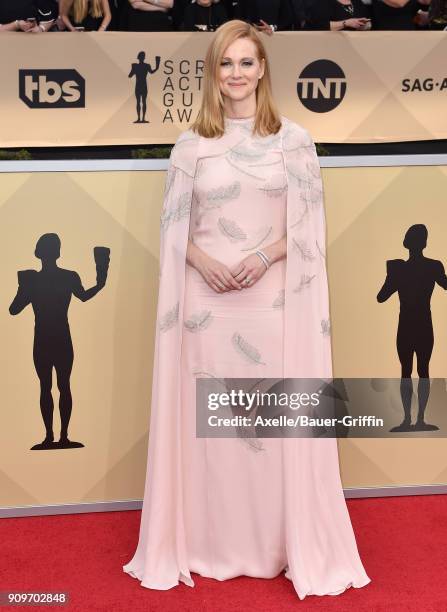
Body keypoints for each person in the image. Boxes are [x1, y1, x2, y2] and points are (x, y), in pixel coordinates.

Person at [122, 19, 371, 600]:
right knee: (214, 435)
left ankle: (278, 545)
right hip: (207, 307)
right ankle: (208, 542)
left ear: (263, 69)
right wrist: (202, 261)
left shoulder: (295, 141)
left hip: (272, 303)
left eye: (246, 63)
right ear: (214, 73)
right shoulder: (191, 146)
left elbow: (310, 228)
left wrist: (262, 254)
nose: (236, 74)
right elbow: (172, 230)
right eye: (226, 64)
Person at [9, 234, 109, 449]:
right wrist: (101, 282)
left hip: (47, 338)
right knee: (60, 386)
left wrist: (23, 286)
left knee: (50, 387)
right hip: (59, 338)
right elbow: (14, 310)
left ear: (39, 252)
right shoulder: (66, 277)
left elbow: (14, 309)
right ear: (56, 251)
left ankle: (54, 437)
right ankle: (58, 436)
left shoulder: (36, 280)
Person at [377, 224, 447, 432]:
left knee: (406, 371)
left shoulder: (399, 268)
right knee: (422, 370)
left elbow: (381, 297)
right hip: (423, 324)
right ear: (424, 242)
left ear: (407, 243)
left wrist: (392, 275)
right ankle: (419, 419)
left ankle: (409, 420)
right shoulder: (433, 266)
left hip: (407, 324)